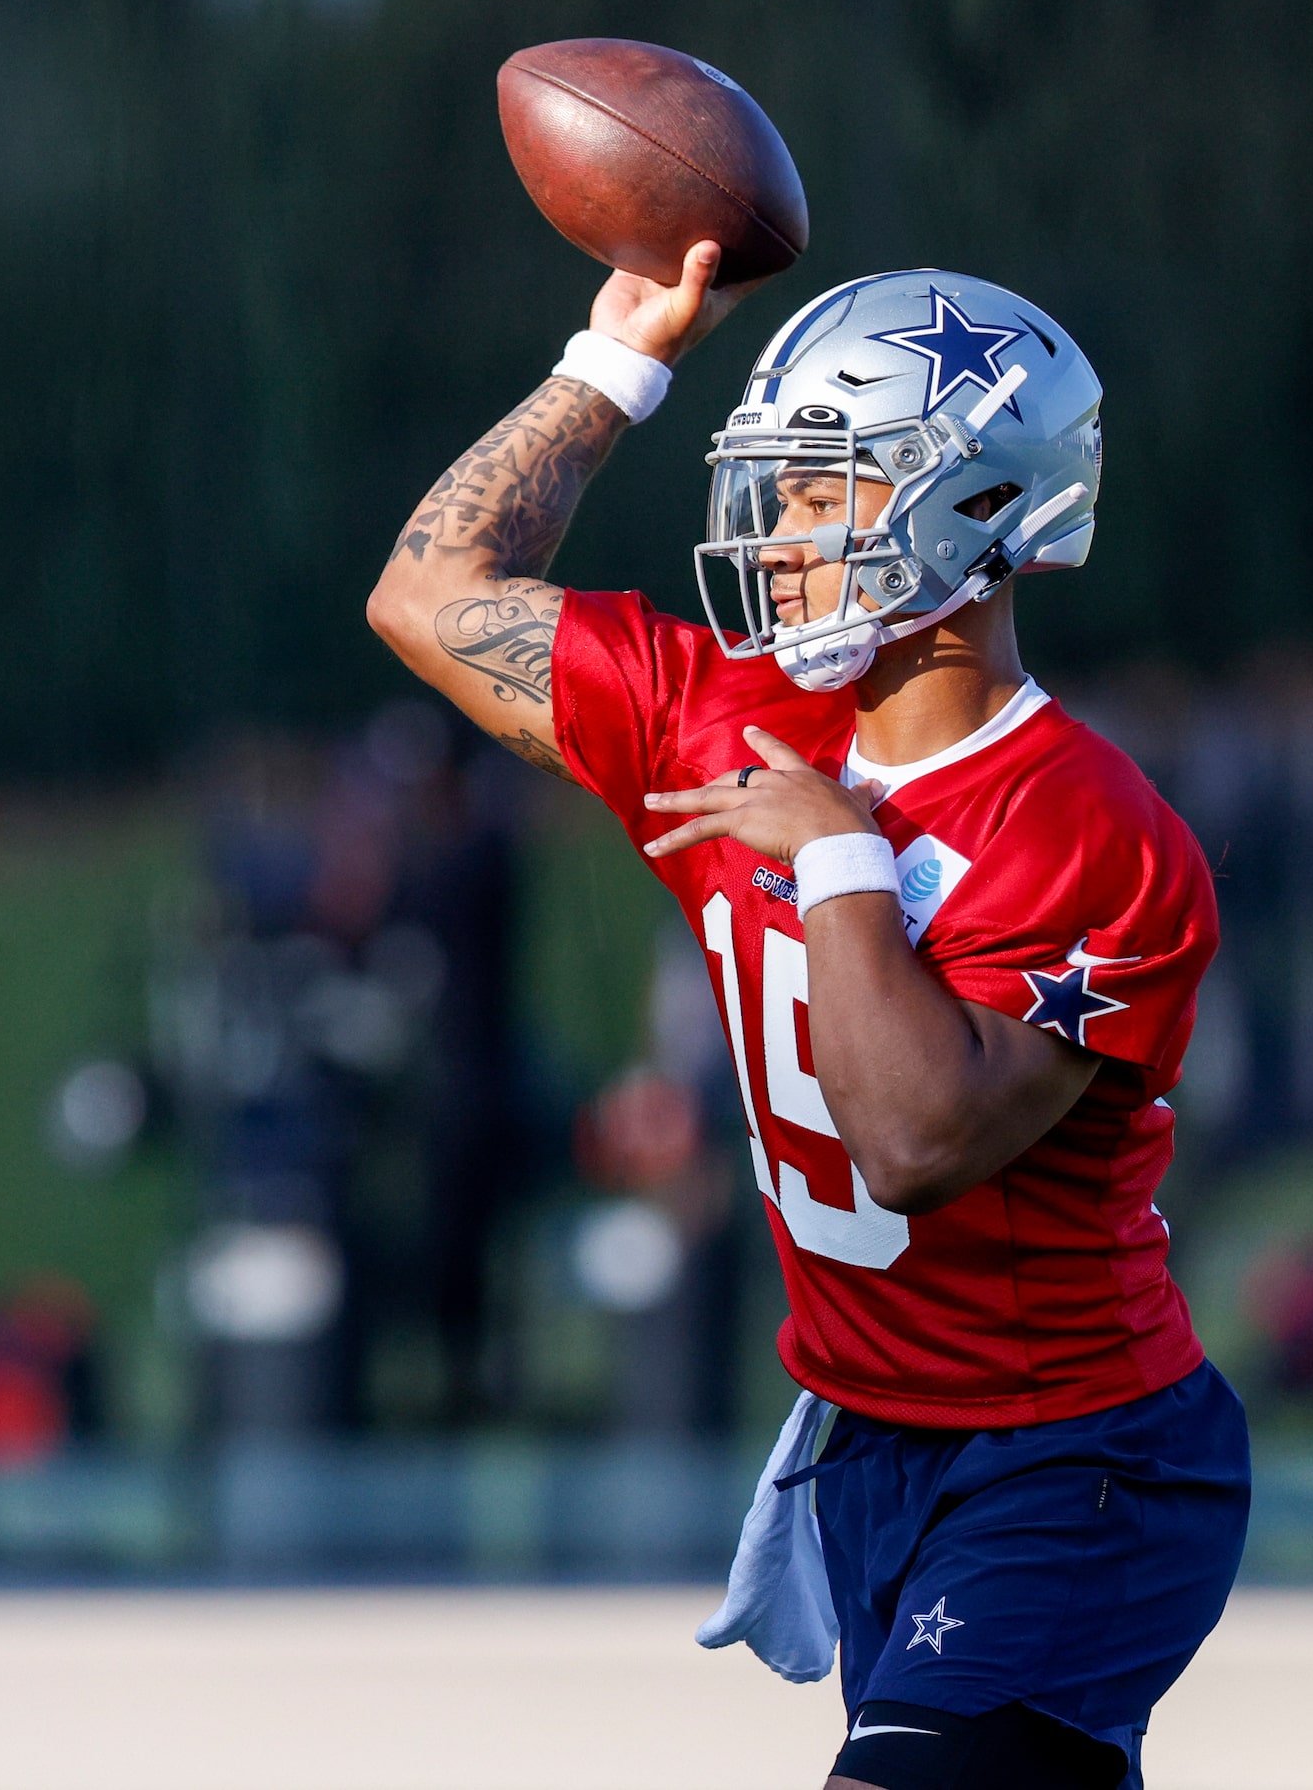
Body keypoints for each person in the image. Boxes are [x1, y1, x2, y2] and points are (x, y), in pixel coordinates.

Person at [366, 245, 1249, 1790]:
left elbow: (914, 1138)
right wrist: (615, 358)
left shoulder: (1088, 829)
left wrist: (840, 856)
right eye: (772, 490)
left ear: (978, 508)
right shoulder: (727, 712)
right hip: (874, 1440)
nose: (773, 541)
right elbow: (427, 596)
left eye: (822, 491)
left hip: (1074, 1453)